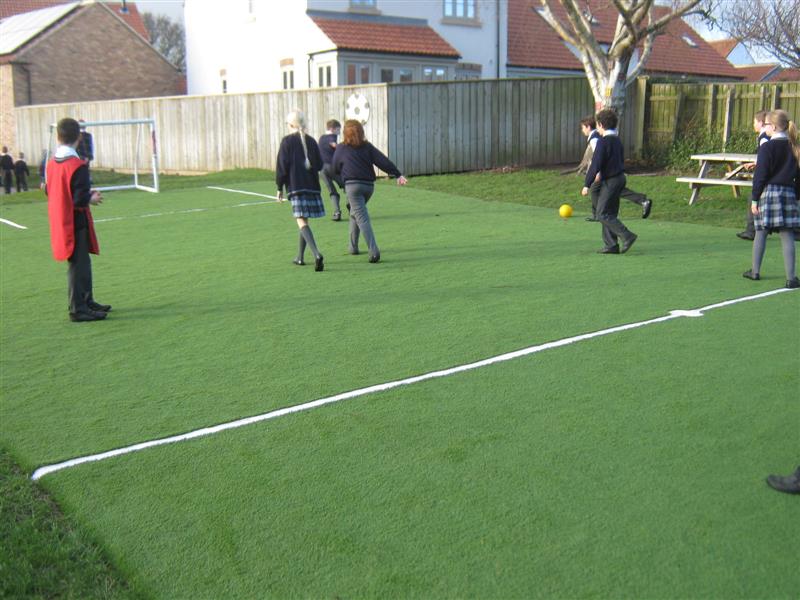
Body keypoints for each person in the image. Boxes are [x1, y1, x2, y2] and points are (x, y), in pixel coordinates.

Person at [46, 117, 111, 322]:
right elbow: (78, 199)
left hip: (61, 218)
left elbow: (50, 190)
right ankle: (78, 308)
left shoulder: (51, 163)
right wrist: (90, 197)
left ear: (58, 136)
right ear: (79, 137)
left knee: (82, 262)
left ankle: (86, 300)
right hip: (74, 220)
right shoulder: (77, 165)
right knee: (78, 264)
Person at [332, 120, 407, 263]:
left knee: (362, 218)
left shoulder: (341, 148)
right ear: (361, 132)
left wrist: (342, 174)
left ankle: (374, 251)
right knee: (355, 212)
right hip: (368, 187)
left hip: (352, 188)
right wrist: (398, 174)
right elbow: (382, 161)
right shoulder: (367, 147)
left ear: (345, 134)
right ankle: (353, 247)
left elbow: (335, 167)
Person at [742, 109, 800, 288]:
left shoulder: (767, 147)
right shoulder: (794, 146)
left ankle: (755, 271)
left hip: (769, 193)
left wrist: (754, 199)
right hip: (789, 193)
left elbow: (760, 175)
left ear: (773, 126)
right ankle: (791, 278)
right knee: (787, 234)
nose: (765, 127)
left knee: (761, 231)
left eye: (766, 124)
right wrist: (797, 196)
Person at [573, 116, 652, 221]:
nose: (582, 130)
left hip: (603, 172)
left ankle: (600, 214)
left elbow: (599, 157)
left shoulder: (595, 139)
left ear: (588, 127)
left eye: (583, 128)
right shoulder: (598, 137)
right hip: (609, 172)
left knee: (597, 189)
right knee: (613, 190)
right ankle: (642, 200)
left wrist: (596, 174)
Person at [581, 109, 637, 254]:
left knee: (602, 213)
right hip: (619, 178)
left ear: (600, 125)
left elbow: (595, 165)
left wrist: (587, 184)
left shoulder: (603, 142)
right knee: (610, 212)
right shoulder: (617, 140)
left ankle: (627, 236)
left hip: (611, 181)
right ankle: (611, 245)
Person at [276, 109, 326, 272]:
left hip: (296, 186)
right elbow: (319, 165)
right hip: (312, 186)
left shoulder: (287, 142)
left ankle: (316, 254)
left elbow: (282, 168)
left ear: (290, 125)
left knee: (301, 220)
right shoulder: (311, 141)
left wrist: (279, 188)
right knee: (304, 220)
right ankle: (300, 257)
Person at [737, 110, 771, 241]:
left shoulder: (764, 138)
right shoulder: (766, 137)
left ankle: (751, 230)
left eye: (754, 122)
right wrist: (756, 162)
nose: (753, 125)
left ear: (761, 123)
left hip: (765, 176)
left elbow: (767, 154)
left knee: (753, 198)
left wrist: (758, 163)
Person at [318, 119, 343, 221]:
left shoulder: (321, 138)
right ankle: (352, 206)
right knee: (347, 185)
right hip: (331, 167)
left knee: (332, 191)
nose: (339, 132)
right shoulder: (333, 136)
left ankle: (336, 212)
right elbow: (333, 144)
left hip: (321, 170)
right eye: (338, 129)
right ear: (332, 129)